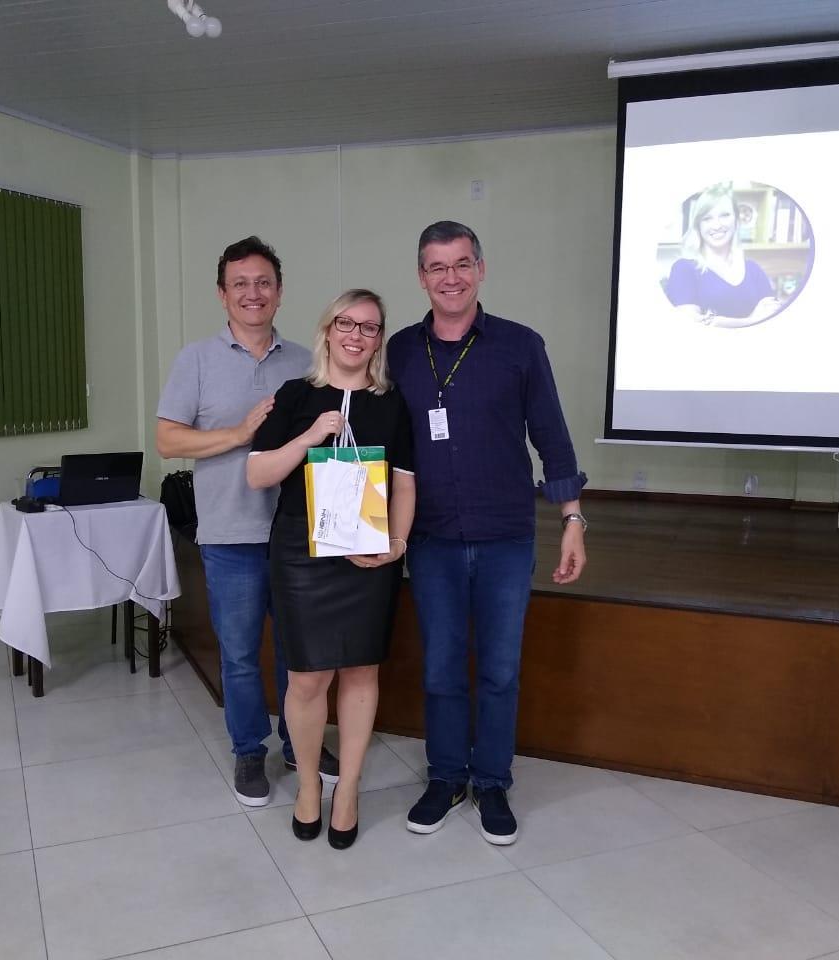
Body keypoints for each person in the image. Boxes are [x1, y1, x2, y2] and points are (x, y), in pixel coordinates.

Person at [388, 221, 587, 845]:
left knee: (500, 669)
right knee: (443, 667)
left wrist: (573, 520)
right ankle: (447, 776)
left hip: (505, 535)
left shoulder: (520, 346)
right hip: (432, 537)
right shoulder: (396, 351)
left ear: (481, 268)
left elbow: (551, 436)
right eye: (437, 267)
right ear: (421, 276)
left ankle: (493, 780)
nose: (451, 277)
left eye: (462, 264)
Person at [156, 236, 337, 807]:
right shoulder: (196, 360)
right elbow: (166, 440)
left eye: (263, 283)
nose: (252, 293)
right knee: (237, 655)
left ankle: (297, 740)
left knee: (298, 652)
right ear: (222, 293)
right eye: (240, 284)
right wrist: (238, 434)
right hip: (230, 536)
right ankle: (249, 750)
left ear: (279, 292)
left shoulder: (307, 363)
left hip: (294, 536)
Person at [247, 289, 415, 850]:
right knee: (307, 676)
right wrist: (310, 436)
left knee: (362, 670)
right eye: (347, 323)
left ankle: (348, 789)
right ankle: (309, 787)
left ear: (379, 339)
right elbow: (257, 474)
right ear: (327, 329)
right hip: (301, 550)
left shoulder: (392, 402)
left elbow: (406, 480)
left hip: (367, 552)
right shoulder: (296, 395)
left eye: (370, 327)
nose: (357, 335)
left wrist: (396, 543)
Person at [663, 182, 781, 327]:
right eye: (707, 218)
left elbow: (771, 317)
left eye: (724, 215)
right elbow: (690, 326)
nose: (717, 225)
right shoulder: (684, 269)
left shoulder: (753, 269)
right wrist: (751, 320)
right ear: (698, 225)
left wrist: (718, 321)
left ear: (736, 220)